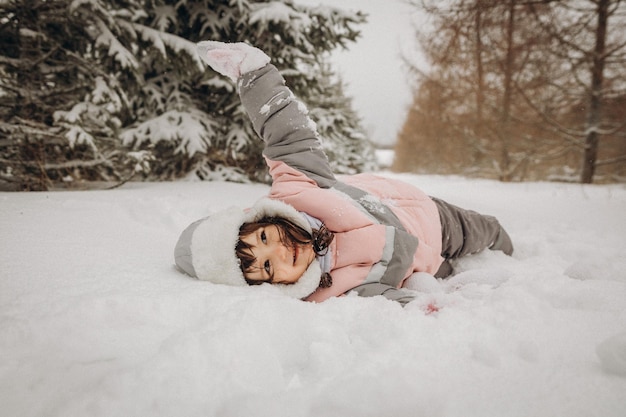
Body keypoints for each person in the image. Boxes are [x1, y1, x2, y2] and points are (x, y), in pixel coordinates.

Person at [174, 41, 513, 305]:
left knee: (483, 230)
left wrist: (253, 74)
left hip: (429, 215)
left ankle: (510, 248)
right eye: (266, 268)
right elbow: (381, 300)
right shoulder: (330, 290)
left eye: (263, 238)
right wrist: (423, 306)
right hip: (424, 257)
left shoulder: (297, 189)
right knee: (438, 275)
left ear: (261, 219)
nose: (279, 253)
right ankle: (448, 274)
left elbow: (287, 133)